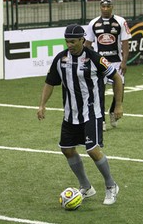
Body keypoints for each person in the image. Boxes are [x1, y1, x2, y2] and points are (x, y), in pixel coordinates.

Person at [37, 24, 123, 205]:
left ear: (83, 40)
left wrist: (119, 105)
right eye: (67, 41)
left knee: (92, 150)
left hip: (92, 112)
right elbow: (50, 82)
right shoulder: (60, 59)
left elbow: (116, 77)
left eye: (73, 41)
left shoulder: (95, 58)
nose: (70, 44)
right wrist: (42, 105)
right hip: (71, 114)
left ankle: (111, 185)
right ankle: (86, 187)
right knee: (67, 149)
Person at [84, 0, 132, 131]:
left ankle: (113, 111)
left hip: (116, 62)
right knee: (99, 92)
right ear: (100, 7)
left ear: (112, 7)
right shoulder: (93, 23)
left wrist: (124, 61)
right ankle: (101, 120)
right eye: (103, 7)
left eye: (108, 6)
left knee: (120, 91)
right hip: (100, 63)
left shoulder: (120, 22)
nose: (105, 9)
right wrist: (88, 60)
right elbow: (87, 44)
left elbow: (125, 43)